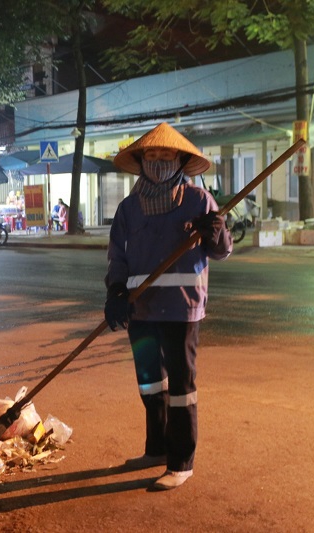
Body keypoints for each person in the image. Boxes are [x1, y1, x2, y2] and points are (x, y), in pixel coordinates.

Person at [104, 122, 232, 491]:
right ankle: (156, 449)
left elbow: (221, 252)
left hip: (181, 309)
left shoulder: (198, 201)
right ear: (142, 160)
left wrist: (216, 232)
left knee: (181, 388)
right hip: (140, 310)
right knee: (149, 384)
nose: (159, 160)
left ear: (179, 159)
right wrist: (115, 292)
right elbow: (118, 256)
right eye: (152, 155)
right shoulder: (129, 208)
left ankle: (181, 462)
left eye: (166, 154)